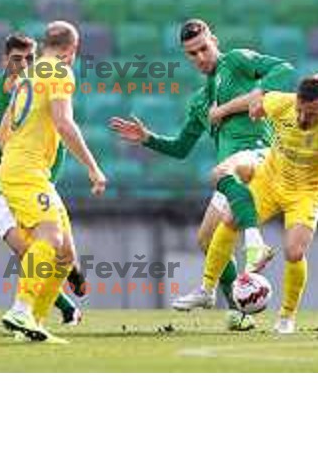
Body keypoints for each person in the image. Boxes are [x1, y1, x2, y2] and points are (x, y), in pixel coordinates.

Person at [174, 74, 318, 333]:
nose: (302, 119)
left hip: (305, 194)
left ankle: (286, 317)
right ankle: (207, 289)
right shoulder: (282, 103)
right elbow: (256, 97)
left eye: (310, 114)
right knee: (231, 218)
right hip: (270, 180)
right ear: (296, 100)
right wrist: (221, 111)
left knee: (294, 252)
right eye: (300, 110)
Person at [110, 19, 294, 328]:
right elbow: (182, 147)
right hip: (230, 172)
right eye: (191, 53)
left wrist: (243, 102)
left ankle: (254, 244)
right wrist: (148, 139)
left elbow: (284, 69)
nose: (200, 57)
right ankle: (238, 310)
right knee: (207, 240)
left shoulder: (235, 62)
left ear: (215, 41)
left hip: (258, 154)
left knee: (221, 184)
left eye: (204, 49)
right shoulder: (199, 101)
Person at [0, 21, 106, 342]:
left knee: (65, 255)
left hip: (27, 170)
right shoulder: (59, 72)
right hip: (26, 172)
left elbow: (3, 134)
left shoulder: (27, 75)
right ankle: (20, 308)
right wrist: (93, 167)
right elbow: (63, 122)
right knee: (50, 236)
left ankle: (33, 322)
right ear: (72, 50)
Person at [0, 33, 82, 326]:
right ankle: (34, 310)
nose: (23, 64)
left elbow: (56, 142)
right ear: (3, 60)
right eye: (16, 59)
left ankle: (33, 314)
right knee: (31, 249)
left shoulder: (34, 87)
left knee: (55, 250)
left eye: (29, 58)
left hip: (31, 179)